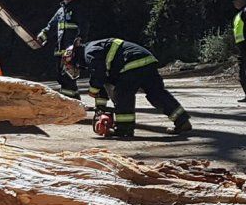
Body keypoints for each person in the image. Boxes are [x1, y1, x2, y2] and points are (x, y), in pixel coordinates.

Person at [61, 38, 192, 137]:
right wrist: (100, 108)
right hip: (147, 60)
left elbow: (98, 74)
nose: (73, 68)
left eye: (70, 64)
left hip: (132, 63)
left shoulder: (89, 52)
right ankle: (182, 121)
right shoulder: (93, 50)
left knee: (122, 94)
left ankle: (124, 129)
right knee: (156, 94)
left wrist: (92, 90)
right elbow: (104, 81)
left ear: (75, 57)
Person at [37, 0, 90, 99]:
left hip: (71, 50)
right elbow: (51, 26)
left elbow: (84, 26)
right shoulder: (60, 11)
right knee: (61, 76)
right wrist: (43, 35)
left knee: (68, 76)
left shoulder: (78, 9)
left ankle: (67, 100)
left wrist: (80, 39)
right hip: (60, 50)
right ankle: (75, 99)